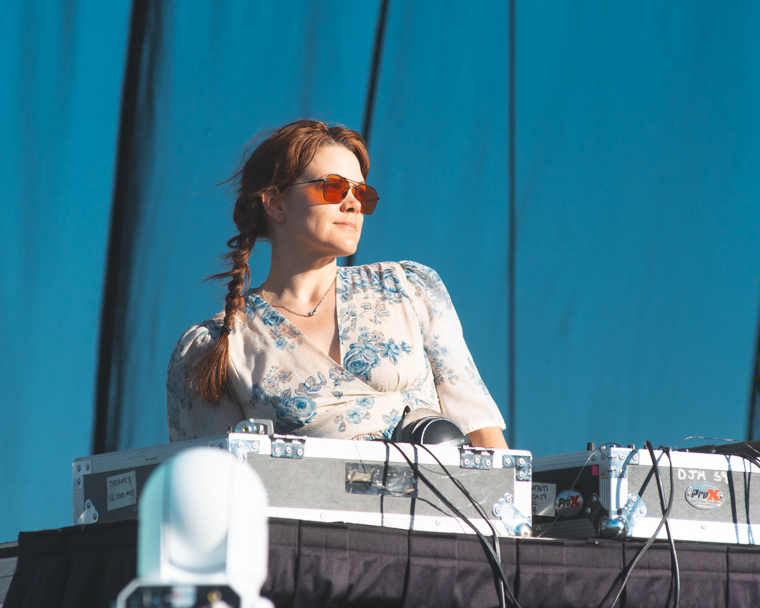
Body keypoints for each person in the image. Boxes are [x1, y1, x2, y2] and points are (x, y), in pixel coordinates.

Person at [166, 119, 507, 448]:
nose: (353, 203)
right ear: (275, 201)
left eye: (362, 192)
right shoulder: (215, 348)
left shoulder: (408, 289)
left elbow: (482, 432)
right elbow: (216, 485)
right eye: (333, 188)